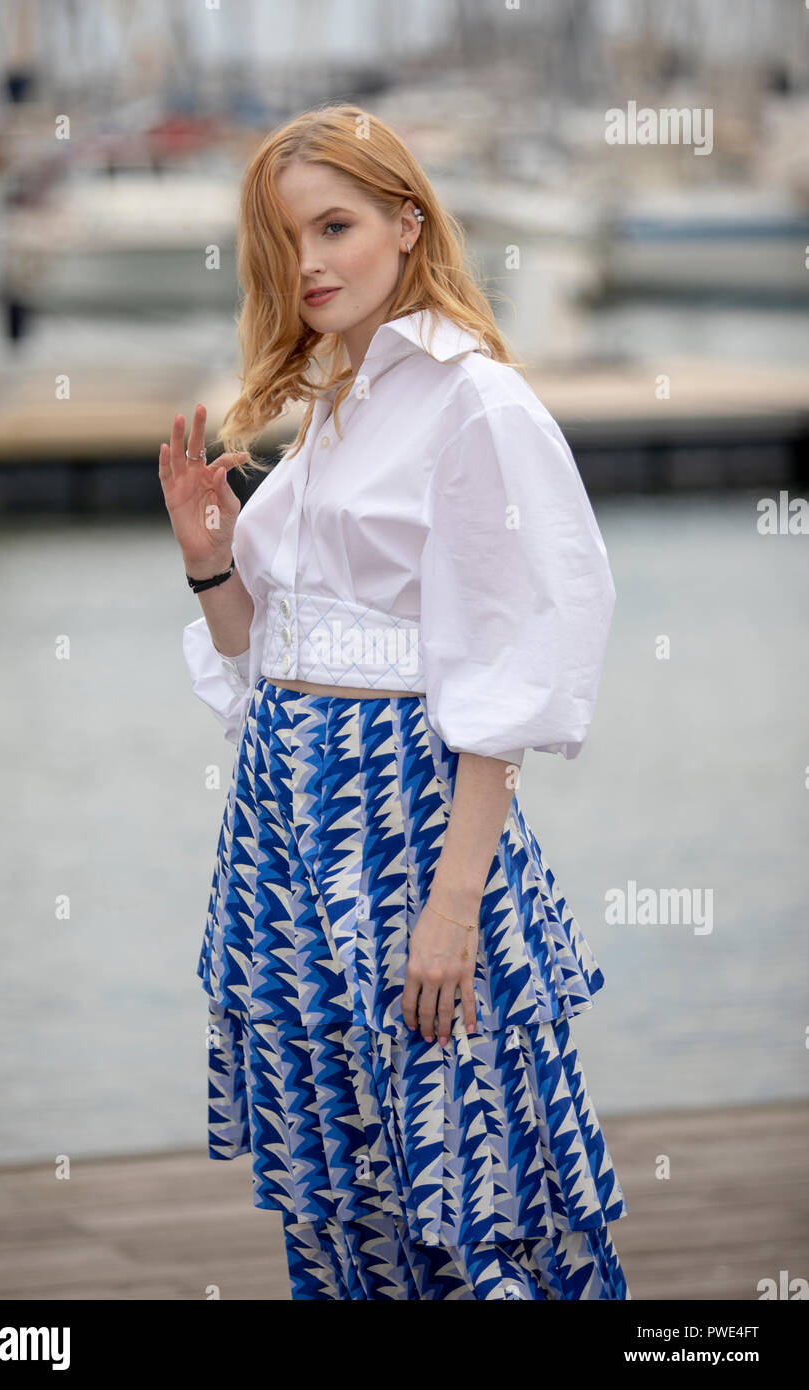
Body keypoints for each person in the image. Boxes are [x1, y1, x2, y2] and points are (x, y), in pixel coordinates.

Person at [159, 102, 630, 1301]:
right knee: (335, 1190)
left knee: (471, 1173)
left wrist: (451, 910)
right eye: (287, 239)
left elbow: (513, 669)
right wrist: (211, 556)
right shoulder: (332, 404)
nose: (308, 263)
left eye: (335, 225)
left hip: (407, 824)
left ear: (406, 224)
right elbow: (263, 657)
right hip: (280, 824)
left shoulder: (478, 404)